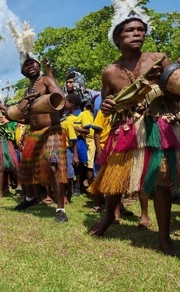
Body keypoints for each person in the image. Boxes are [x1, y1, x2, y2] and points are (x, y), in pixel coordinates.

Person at [87, 1, 180, 256]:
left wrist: (162, 81)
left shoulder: (158, 59)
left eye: (141, 29)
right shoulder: (110, 72)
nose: (138, 33)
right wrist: (106, 105)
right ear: (117, 38)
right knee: (115, 178)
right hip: (125, 130)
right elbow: (105, 107)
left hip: (156, 126)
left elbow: (176, 92)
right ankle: (108, 218)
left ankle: (163, 238)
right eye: (130, 30)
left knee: (162, 182)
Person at [5, 20, 68, 222]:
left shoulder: (46, 81)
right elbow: (25, 117)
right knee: (27, 168)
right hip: (32, 134)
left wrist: (34, 100)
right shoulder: (27, 90)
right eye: (26, 64)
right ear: (22, 71)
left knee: (53, 167)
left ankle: (60, 209)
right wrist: (10, 112)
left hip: (51, 131)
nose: (30, 66)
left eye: (33, 62)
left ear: (39, 65)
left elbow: (62, 101)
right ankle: (31, 197)